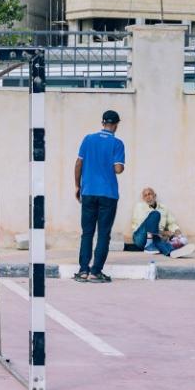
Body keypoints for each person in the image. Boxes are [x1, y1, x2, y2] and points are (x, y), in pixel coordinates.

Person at [74, 110, 125, 283]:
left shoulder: (88, 139)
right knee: (103, 234)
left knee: (87, 233)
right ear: (116, 125)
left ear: (102, 123)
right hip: (108, 194)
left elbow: (78, 163)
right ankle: (95, 272)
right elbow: (118, 169)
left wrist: (77, 186)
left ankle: (82, 271)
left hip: (88, 192)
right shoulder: (117, 143)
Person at [132, 187, 195, 258]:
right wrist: (164, 233)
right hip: (140, 237)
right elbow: (146, 227)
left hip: (156, 238)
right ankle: (151, 245)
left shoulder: (164, 208)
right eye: (145, 195)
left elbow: (171, 223)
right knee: (155, 214)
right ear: (143, 198)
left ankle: (171, 252)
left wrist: (177, 231)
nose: (148, 197)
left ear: (154, 196)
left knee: (158, 239)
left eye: (149, 194)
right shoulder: (139, 207)